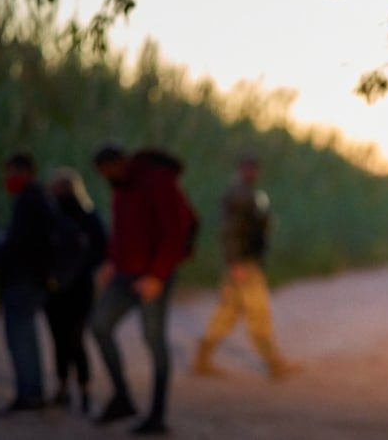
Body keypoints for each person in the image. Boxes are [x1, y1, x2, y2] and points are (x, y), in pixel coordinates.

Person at [91, 144, 196, 435]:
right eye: (102, 173)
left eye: (108, 169)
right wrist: (111, 260)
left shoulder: (157, 180)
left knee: (153, 340)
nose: (106, 176)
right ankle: (122, 397)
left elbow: (174, 231)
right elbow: (121, 228)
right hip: (124, 273)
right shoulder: (121, 186)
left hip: (153, 275)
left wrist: (158, 275)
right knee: (99, 326)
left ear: (121, 162)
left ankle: (157, 415)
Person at [193, 154, 300, 379]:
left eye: (255, 168)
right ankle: (273, 363)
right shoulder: (239, 194)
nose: (252, 172)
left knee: (228, 312)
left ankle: (202, 360)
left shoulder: (249, 193)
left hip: (245, 261)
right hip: (243, 264)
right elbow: (230, 232)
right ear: (240, 169)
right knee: (258, 312)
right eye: (248, 168)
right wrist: (235, 262)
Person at [0, 152, 55, 415]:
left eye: (11, 172)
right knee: (26, 338)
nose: (7, 178)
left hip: (24, 281)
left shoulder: (31, 201)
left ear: (25, 172)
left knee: (20, 339)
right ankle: (32, 393)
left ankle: (29, 395)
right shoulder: (33, 199)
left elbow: (19, 246)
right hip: (30, 280)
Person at [44, 167, 107, 414]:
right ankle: (64, 387)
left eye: (62, 188)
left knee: (74, 338)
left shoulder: (87, 217)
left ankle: (84, 388)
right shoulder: (53, 216)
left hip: (77, 288)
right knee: (59, 339)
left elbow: (100, 250)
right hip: (57, 288)